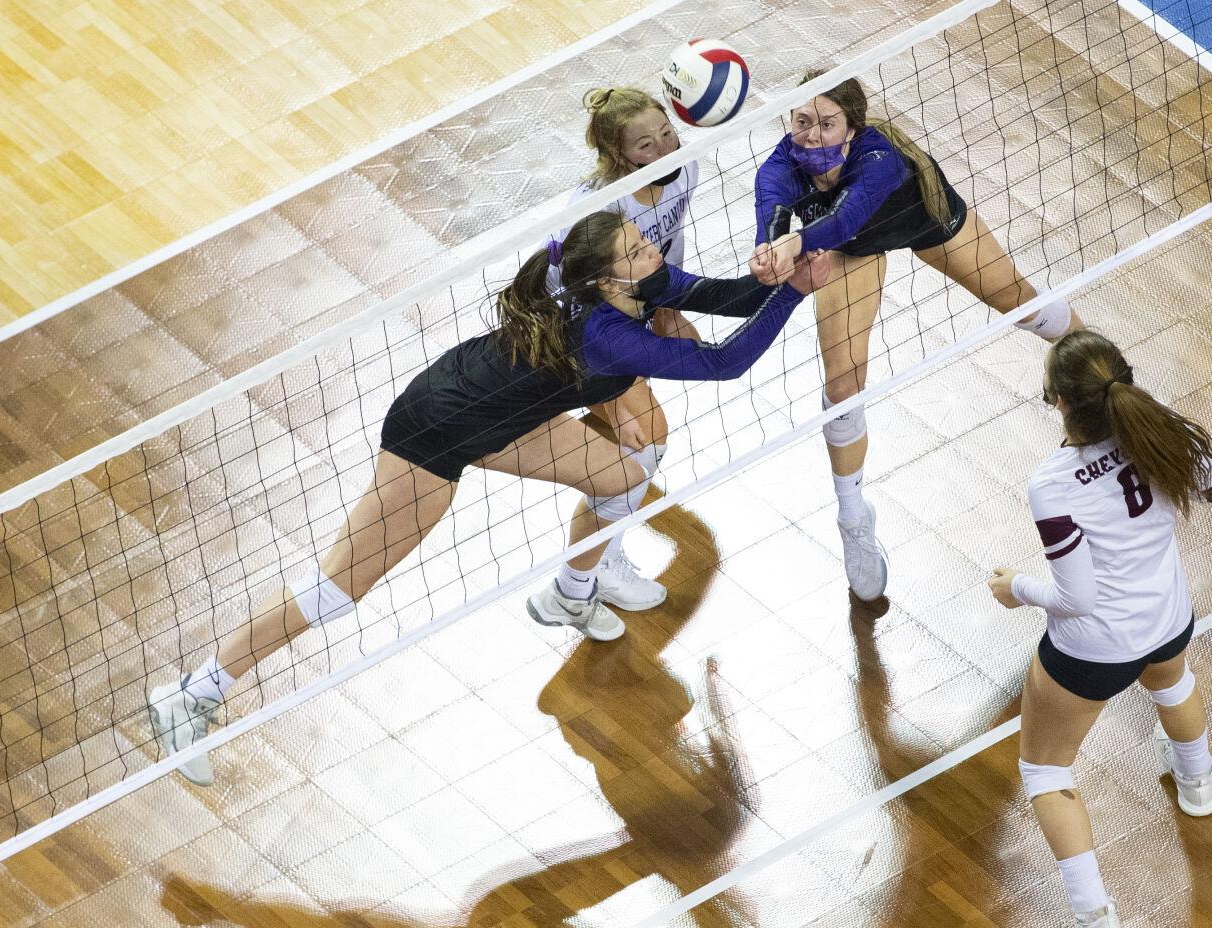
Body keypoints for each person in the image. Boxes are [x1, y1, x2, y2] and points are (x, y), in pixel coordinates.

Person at [148, 210, 829, 785]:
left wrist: (782, 268)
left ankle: (570, 589)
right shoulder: (607, 332)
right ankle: (194, 694)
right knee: (339, 588)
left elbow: (728, 298)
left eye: (643, 241)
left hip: (499, 410)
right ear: (606, 278)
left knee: (620, 475)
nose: (653, 248)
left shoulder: (635, 285)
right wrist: (795, 294)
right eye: (637, 247)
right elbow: (724, 363)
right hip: (439, 428)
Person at [751, 73, 1082, 601]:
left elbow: (847, 216)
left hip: (913, 218)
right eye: (802, 121)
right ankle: (854, 516)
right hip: (849, 250)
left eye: (827, 123)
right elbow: (769, 210)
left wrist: (795, 242)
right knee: (844, 383)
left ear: (853, 129)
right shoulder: (781, 165)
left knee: (1021, 304)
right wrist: (769, 248)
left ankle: (1116, 380)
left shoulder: (881, 161)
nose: (812, 134)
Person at [989, 330, 1212, 928]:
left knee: (1046, 770)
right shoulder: (1156, 429)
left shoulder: (1054, 484)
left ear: (1059, 403)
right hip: (1167, 615)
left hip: (1096, 647)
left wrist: (1017, 589)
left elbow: (1077, 597)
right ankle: (1197, 780)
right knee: (1172, 683)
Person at [546, 86, 703, 607]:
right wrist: (612, 380)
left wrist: (667, 309)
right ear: (617, 156)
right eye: (645, 147)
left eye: (667, 135)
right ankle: (596, 567)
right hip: (572, 326)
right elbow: (569, 300)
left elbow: (668, 243)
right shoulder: (594, 210)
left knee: (631, 438)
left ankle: (597, 547)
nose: (663, 152)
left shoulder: (684, 172)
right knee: (647, 438)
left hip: (627, 308)